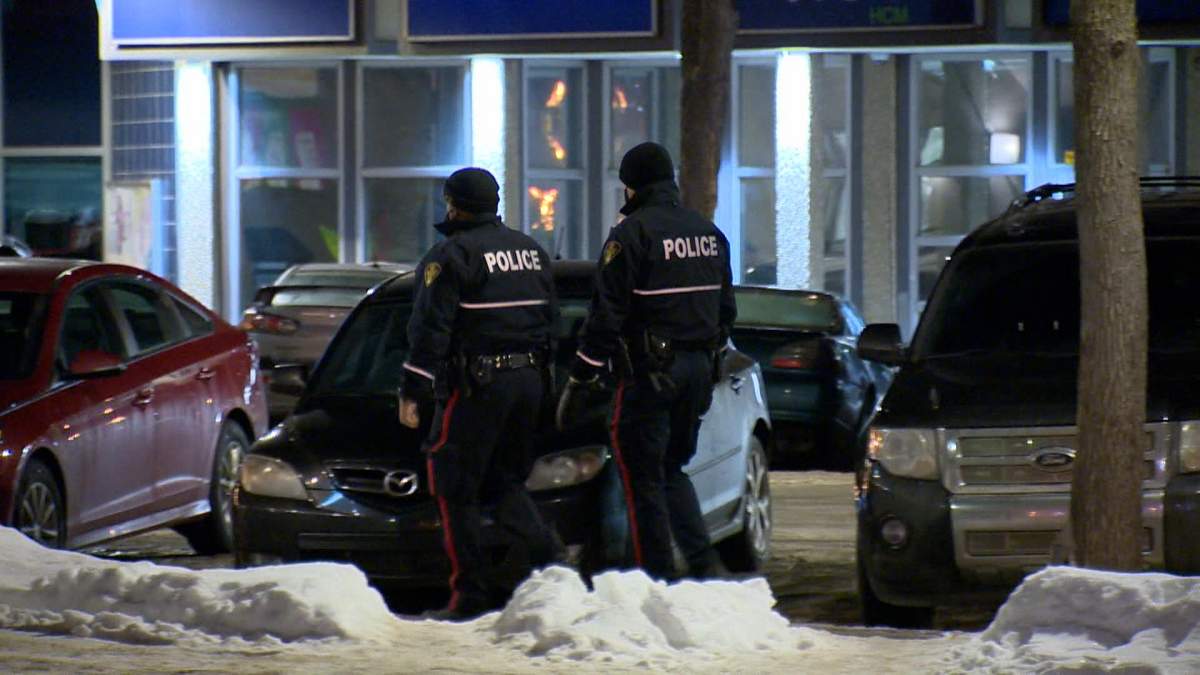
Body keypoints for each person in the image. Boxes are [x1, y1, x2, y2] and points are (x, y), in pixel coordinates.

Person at [559, 141, 737, 581]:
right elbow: (727, 311)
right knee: (672, 470)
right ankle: (702, 567)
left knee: (643, 481)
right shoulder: (709, 234)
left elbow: (606, 316)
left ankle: (656, 582)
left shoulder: (631, 236)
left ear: (631, 189)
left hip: (649, 376)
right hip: (698, 371)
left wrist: (581, 375)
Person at [399, 167, 563, 621]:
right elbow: (551, 321)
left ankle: (468, 594)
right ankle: (552, 564)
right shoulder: (531, 251)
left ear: (452, 203)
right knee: (503, 481)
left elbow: (430, 330)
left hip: (478, 386)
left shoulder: (450, 256)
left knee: (454, 484)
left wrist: (413, 389)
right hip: (529, 382)